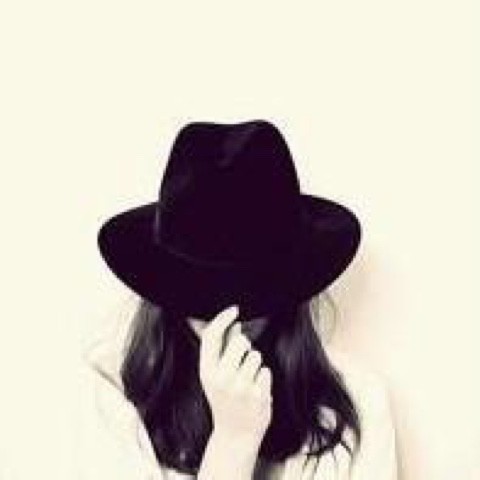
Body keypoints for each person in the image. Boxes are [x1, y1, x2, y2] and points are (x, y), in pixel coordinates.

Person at [80, 120, 398, 480]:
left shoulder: (361, 404)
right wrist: (233, 442)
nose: (227, 310)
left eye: (247, 289)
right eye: (204, 287)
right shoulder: (109, 399)